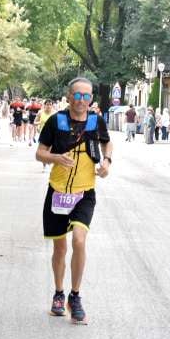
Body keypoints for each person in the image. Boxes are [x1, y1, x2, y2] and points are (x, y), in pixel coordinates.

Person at [35, 77, 112, 325]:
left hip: (84, 192)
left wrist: (107, 162)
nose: (81, 101)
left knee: (79, 240)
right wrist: (56, 158)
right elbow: (40, 153)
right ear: (69, 96)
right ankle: (59, 293)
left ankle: (75, 296)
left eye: (86, 96)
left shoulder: (96, 121)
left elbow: (107, 142)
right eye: (77, 95)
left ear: (91, 99)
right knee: (60, 247)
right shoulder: (56, 121)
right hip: (58, 192)